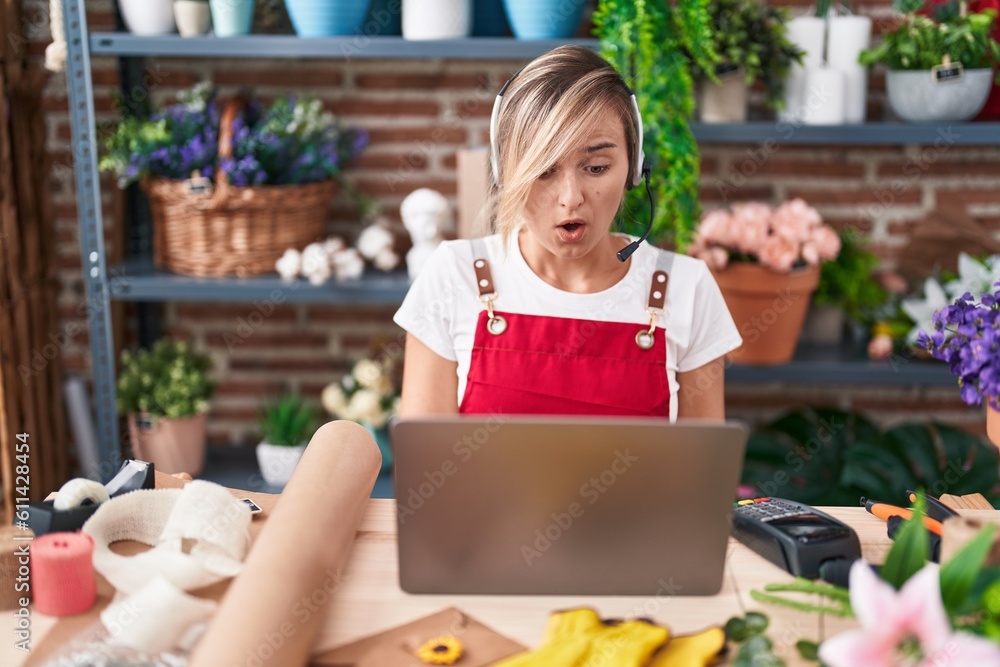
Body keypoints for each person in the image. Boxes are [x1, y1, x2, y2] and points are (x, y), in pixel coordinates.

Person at [393, 45, 742, 421]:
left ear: (633, 167)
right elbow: (429, 469)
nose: (571, 199)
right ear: (503, 172)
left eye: (595, 167)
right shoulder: (453, 274)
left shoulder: (686, 288)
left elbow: (700, 474)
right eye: (543, 170)